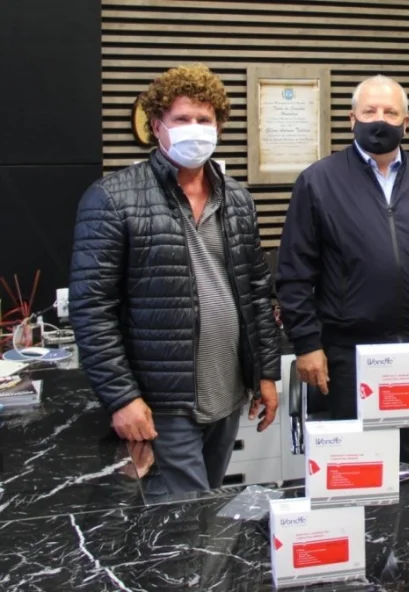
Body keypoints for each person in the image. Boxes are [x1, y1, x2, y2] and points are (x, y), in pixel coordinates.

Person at [69, 64, 282, 496]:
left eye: (204, 119)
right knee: (182, 520)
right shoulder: (112, 198)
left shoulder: (237, 198)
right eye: (182, 119)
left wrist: (265, 374)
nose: (195, 129)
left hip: (227, 394)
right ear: (156, 126)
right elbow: (91, 309)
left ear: (219, 126)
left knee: (203, 512)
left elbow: (258, 293)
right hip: (161, 404)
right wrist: (122, 398)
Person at [276, 75, 409, 462]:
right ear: (352, 119)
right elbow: (294, 274)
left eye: (390, 112)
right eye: (369, 111)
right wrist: (307, 344)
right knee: (360, 467)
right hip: (350, 355)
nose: (379, 120)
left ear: (406, 122)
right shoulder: (318, 181)